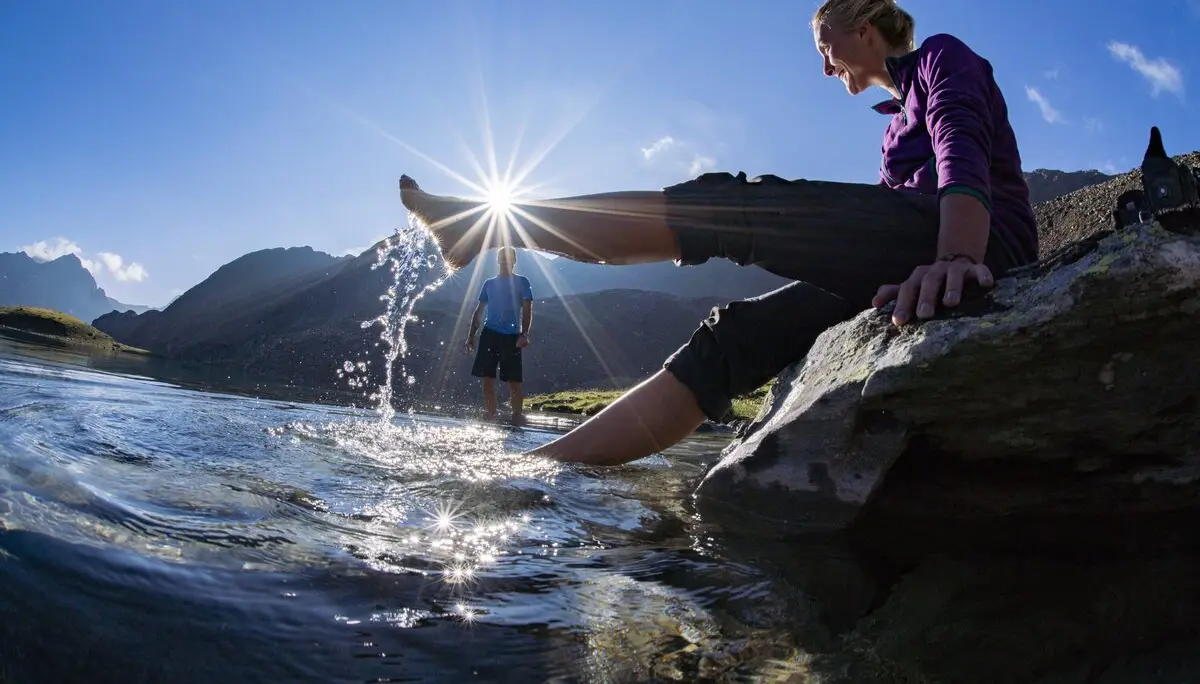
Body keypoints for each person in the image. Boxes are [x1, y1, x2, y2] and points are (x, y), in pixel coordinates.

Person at [400, 0, 1038, 465]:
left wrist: (957, 254)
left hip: (977, 247)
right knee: (731, 335)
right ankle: (540, 470)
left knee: (734, 208)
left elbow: (960, 145)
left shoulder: (941, 57)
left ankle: (480, 227)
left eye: (825, 49)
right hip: (914, 254)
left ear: (862, 28)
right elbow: (890, 215)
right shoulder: (893, 125)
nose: (824, 69)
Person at [466, 246, 534, 424]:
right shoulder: (489, 283)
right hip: (489, 334)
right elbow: (479, 311)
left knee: (514, 380)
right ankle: (490, 414)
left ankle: (517, 415)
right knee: (487, 377)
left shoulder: (522, 282)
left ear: (514, 261)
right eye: (502, 257)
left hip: (511, 336)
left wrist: (524, 334)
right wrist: (471, 335)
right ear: (498, 260)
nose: (505, 260)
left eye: (508, 258)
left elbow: (527, 310)